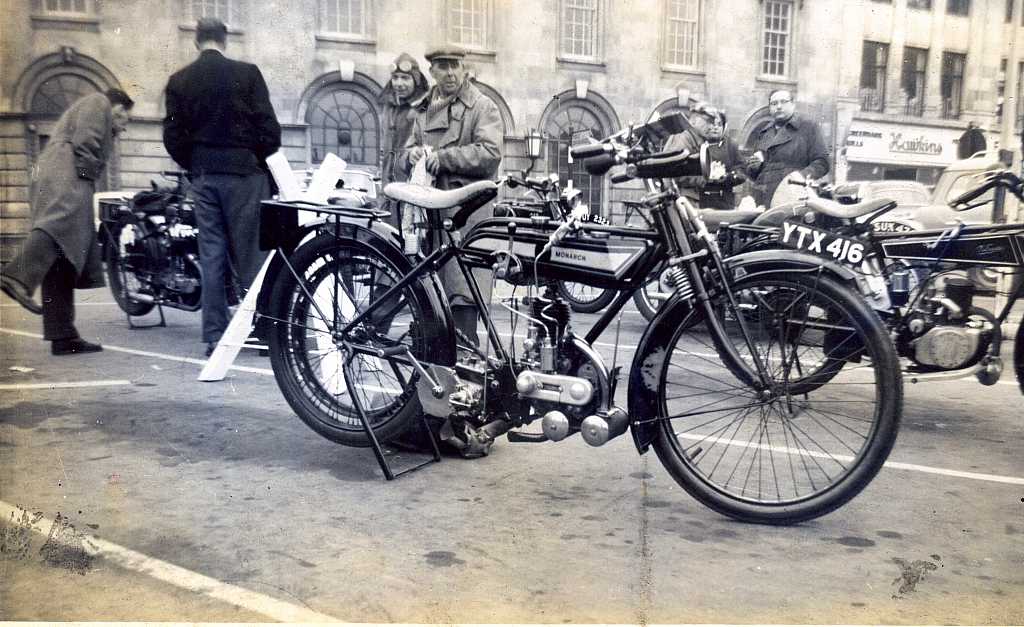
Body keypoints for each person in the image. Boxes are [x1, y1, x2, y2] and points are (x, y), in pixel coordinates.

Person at [162, 18, 281, 356]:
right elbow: (270, 130)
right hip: (245, 174)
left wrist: (195, 164)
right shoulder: (248, 74)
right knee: (253, 255)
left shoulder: (179, 81)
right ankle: (265, 332)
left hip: (204, 175)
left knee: (211, 255)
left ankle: (215, 336)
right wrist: (255, 159)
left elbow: (172, 137)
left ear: (196, 41)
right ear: (224, 40)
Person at [0, 89, 133, 355]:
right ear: (117, 108)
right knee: (59, 225)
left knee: (64, 252)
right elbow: (86, 141)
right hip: (67, 171)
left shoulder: (89, 108)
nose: (123, 126)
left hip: (58, 170)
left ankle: (62, 336)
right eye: (123, 119)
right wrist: (87, 175)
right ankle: (16, 276)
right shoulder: (99, 102)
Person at [397, 45, 502, 346]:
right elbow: (403, 153)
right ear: (432, 71)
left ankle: (466, 365)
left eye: (455, 65)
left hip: (465, 218)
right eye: (443, 66)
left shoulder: (482, 106)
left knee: (462, 296)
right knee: (431, 298)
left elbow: (490, 153)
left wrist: (445, 158)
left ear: (463, 68)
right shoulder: (422, 110)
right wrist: (410, 156)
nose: (450, 72)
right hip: (430, 221)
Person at [745, 89, 830, 208]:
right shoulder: (764, 133)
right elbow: (756, 173)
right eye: (774, 103)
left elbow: (822, 163)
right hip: (762, 198)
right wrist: (754, 167)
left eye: (783, 102)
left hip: (792, 196)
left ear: (793, 104)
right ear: (770, 108)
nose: (779, 106)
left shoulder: (808, 127)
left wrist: (799, 178)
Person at [379, 52, 430, 229]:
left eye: (405, 78)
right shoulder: (388, 107)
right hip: (388, 184)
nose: (399, 83)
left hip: (412, 182)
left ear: (416, 80)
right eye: (395, 78)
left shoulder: (424, 107)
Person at [662, 102, 716, 203]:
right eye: (708, 121)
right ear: (694, 121)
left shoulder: (696, 140)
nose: (711, 127)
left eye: (713, 123)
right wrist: (707, 178)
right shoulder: (682, 138)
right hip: (681, 198)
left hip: (689, 198)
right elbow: (675, 172)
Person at [699, 110, 746, 210]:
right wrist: (706, 176)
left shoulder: (730, 145)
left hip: (724, 199)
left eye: (719, 124)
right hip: (700, 199)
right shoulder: (697, 144)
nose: (715, 127)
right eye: (712, 123)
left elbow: (742, 171)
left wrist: (726, 177)